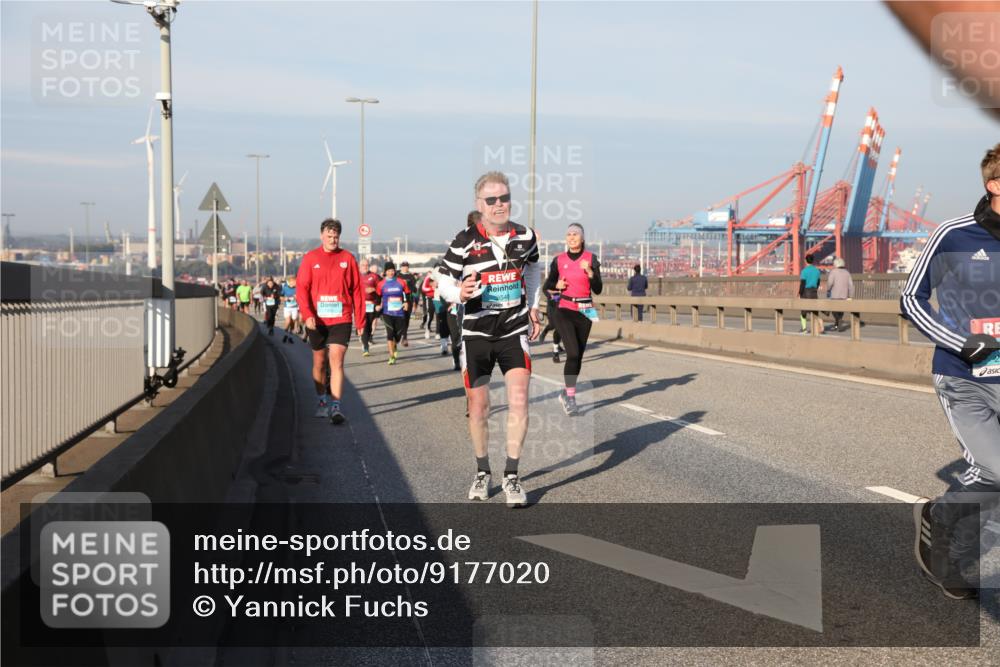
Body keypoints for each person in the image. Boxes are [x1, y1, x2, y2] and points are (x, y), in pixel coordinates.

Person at [902, 143, 1000, 600]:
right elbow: (910, 300)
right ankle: (940, 522)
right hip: (965, 377)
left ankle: (953, 546)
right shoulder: (954, 234)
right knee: (997, 472)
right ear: (994, 184)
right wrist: (962, 342)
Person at [435, 171, 542, 508]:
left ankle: (512, 474)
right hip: (477, 334)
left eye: (505, 198)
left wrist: (535, 307)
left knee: (520, 400)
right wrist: (459, 292)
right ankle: (483, 470)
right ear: (479, 204)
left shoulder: (525, 236)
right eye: (491, 200)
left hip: (512, 330)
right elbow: (443, 280)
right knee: (479, 408)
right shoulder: (464, 240)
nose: (499, 205)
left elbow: (534, 268)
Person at [296, 218, 366, 425]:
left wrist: (360, 321)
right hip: (316, 320)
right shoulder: (311, 258)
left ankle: (335, 406)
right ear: (322, 236)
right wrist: (307, 314)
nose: (333, 239)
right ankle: (321, 401)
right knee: (319, 363)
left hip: (341, 317)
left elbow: (357, 292)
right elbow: (302, 289)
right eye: (329, 236)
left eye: (336, 236)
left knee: (337, 359)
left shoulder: (347, 258)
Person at [544, 223, 603, 416]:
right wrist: (557, 285)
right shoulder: (559, 260)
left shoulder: (591, 259)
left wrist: (591, 273)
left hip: (585, 310)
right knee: (573, 353)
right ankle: (570, 397)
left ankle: (566, 392)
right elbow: (548, 286)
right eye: (569, 234)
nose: (572, 237)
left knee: (577, 356)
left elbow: (598, 288)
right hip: (565, 309)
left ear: (582, 238)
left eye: (575, 234)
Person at [376, 261, 410, 365]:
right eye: (388, 271)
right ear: (385, 272)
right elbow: (378, 296)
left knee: (398, 336)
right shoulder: (381, 284)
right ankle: (391, 356)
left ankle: (395, 346)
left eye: (392, 270)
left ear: (395, 271)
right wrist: (378, 305)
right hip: (387, 312)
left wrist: (406, 302)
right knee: (390, 333)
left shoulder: (401, 282)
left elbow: (407, 293)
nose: (390, 272)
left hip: (399, 313)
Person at [824, 257, 854, 332]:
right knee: (840, 311)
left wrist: (828, 289)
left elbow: (830, 283)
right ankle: (837, 325)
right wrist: (850, 296)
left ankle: (838, 322)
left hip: (835, 295)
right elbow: (851, 285)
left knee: (834, 311)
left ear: (836, 264)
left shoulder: (833, 272)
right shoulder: (847, 272)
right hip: (844, 295)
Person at [359, 259, 380, 356]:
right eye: (363, 265)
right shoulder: (355, 276)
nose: (365, 266)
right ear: (359, 266)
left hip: (372, 305)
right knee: (364, 325)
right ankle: (365, 346)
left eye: (367, 265)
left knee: (369, 325)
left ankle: (366, 341)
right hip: (360, 305)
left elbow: (380, 290)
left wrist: (374, 289)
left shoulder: (374, 276)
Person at [798, 254, 821, 333]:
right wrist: (815, 289)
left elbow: (802, 283)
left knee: (803, 312)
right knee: (814, 311)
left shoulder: (804, 271)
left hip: (805, 292)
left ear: (805, 260)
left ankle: (804, 328)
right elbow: (818, 282)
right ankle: (815, 328)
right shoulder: (817, 271)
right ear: (813, 261)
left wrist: (800, 293)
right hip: (814, 291)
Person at [397, 261, 418, 348]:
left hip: (408, 300)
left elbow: (414, 288)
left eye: (407, 266)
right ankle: (400, 334)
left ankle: (404, 337)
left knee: (406, 319)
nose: (405, 268)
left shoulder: (411, 276)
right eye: (403, 266)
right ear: (401, 267)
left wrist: (412, 290)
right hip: (398, 300)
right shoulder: (397, 276)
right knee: (399, 319)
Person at [280, 276, 299, 344]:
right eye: (295, 282)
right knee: (288, 321)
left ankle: (290, 336)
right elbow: (281, 297)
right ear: (290, 282)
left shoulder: (298, 288)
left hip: (295, 307)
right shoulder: (285, 288)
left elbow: (301, 297)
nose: (296, 283)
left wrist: (297, 297)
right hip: (287, 308)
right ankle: (285, 334)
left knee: (292, 323)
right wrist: (284, 299)